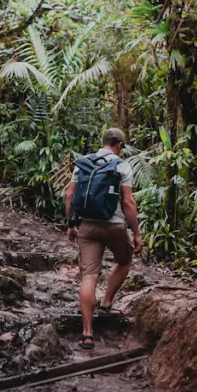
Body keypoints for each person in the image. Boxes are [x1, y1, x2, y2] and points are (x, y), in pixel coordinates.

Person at [65, 127, 143, 349]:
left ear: (103, 142)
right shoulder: (121, 165)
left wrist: (71, 224)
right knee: (125, 260)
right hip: (115, 226)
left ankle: (87, 333)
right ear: (118, 144)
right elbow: (128, 203)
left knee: (89, 276)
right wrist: (136, 233)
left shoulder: (83, 163)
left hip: (87, 226)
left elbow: (70, 195)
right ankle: (106, 304)